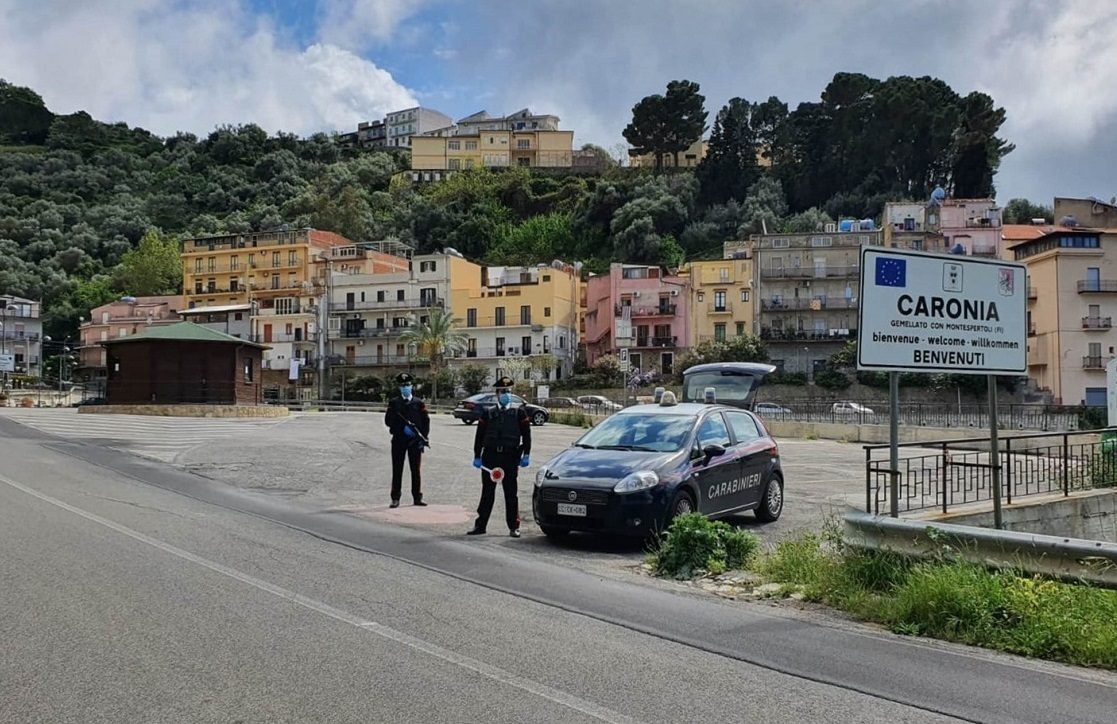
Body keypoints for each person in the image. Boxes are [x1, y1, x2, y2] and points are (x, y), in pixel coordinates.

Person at [467, 376, 531, 538]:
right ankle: (480, 525)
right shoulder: (488, 413)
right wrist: (477, 456)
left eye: (508, 391)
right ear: (497, 394)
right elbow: (479, 436)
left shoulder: (519, 413)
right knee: (487, 493)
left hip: (510, 457)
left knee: (511, 493)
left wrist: (526, 454)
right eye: (503, 392)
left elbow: (527, 436)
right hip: (490, 457)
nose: (506, 394)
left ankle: (514, 526)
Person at [384, 372, 430, 508]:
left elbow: (426, 422)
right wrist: (401, 428)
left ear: (412, 386)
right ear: (399, 387)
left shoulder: (418, 403)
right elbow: (388, 421)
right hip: (399, 440)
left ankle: (417, 497)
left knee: (415, 470)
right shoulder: (394, 403)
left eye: (408, 385)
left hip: (415, 442)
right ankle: (395, 498)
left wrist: (423, 438)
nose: (406, 387)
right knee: (397, 469)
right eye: (403, 385)